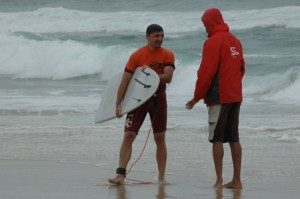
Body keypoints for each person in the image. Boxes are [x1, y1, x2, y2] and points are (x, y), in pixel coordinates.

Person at [108, 24, 175, 185]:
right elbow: (125, 80)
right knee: (129, 135)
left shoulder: (167, 54)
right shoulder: (137, 56)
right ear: (147, 37)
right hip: (138, 100)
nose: (159, 39)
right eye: (156, 36)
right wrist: (119, 103)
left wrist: (149, 74)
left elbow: (168, 77)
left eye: (161, 35)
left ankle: (161, 177)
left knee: (159, 138)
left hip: (158, 98)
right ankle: (120, 175)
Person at [186, 8, 245, 189]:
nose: (205, 28)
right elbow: (242, 69)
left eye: (205, 24)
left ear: (211, 22)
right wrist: (233, 86)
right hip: (235, 96)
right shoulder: (235, 40)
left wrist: (197, 97)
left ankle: (219, 181)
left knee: (217, 139)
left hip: (219, 97)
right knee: (234, 138)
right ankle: (236, 180)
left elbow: (206, 72)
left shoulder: (213, 41)